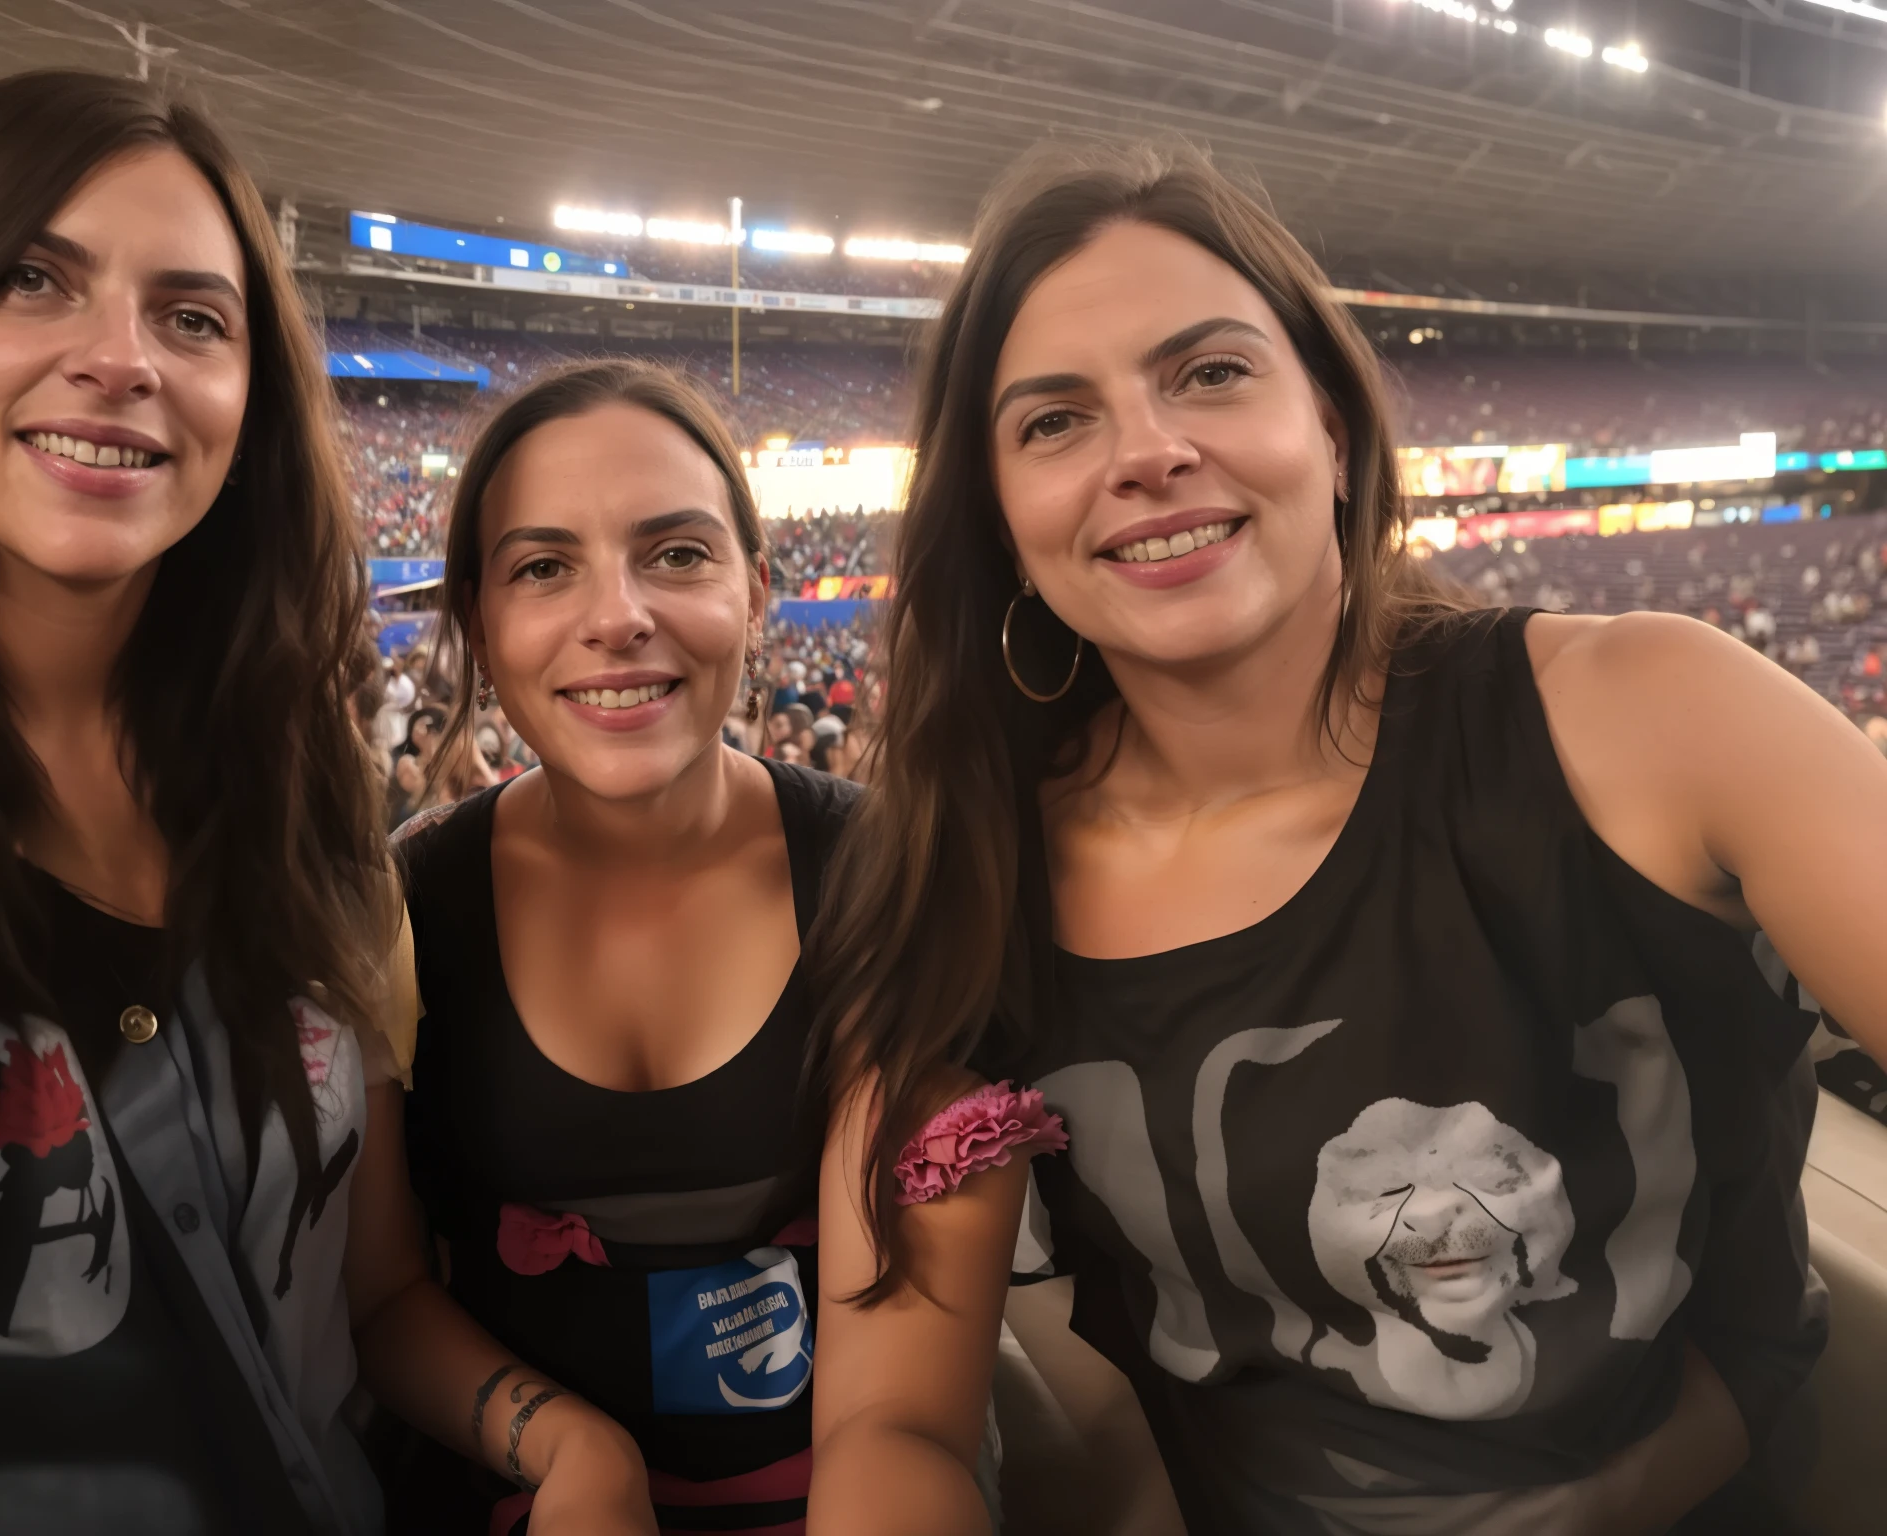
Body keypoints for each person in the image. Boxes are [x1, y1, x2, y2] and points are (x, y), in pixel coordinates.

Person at [807, 139, 1885, 1532]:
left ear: (1332, 420)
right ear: (1002, 522)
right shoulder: (965, 878)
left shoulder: (1656, 716)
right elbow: (893, 1418)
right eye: (1053, 420)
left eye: (1209, 371)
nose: (1148, 451)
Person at [342, 359, 1062, 1534]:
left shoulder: (889, 881)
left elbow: (901, 1423)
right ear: (477, 618)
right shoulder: (404, 904)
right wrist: (568, 1447)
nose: (618, 615)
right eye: (542, 567)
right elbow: (384, 1296)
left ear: (758, 592)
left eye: (677, 554)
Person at [0, 72, 403, 1533]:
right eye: (33, 278)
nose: (121, 360)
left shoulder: (301, 778)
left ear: (248, 406)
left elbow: (364, 1289)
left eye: (193, 317)